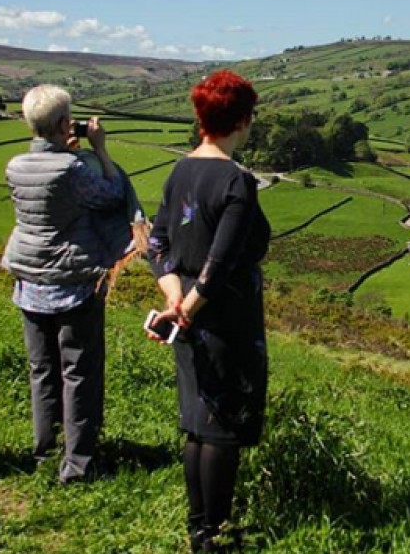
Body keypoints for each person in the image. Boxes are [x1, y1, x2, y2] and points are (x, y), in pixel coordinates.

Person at [146, 70, 270, 552]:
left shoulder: (181, 170)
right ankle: (212, 536)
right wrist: (191, 308)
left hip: (189, 315)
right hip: (225, 318)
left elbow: (157, 241)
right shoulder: (237, 181)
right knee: (223, 429)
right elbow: (222, 261)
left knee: (199, 421)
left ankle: (199, 526)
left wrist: (172, 296)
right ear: (241, 120)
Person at [1, 84, 129, 484]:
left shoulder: (15, 166)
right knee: (80, 372)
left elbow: (52, 197)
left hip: (30, 281)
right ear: (63, 123)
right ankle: (79, 464)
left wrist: (66, 148)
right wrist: (100, 150)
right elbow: (111, 195)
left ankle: (46, 450)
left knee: (42, 370)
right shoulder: (72, 169)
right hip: (73, 282)